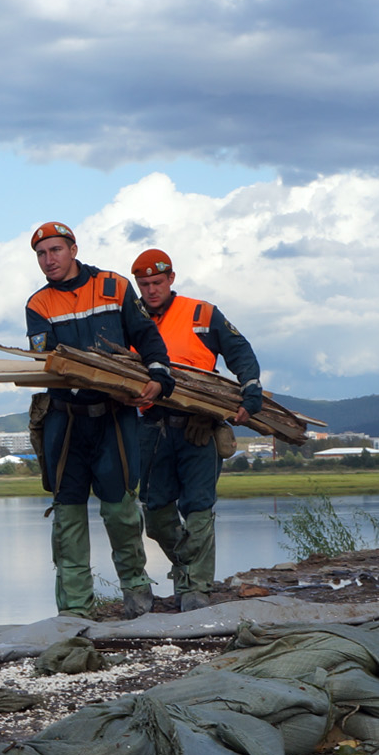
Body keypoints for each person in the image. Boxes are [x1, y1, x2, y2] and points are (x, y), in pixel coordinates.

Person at [27, 223, 175, 618]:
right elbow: (44, 361)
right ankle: (75, 610)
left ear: (74, 249)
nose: (49, 259)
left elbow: (146, 337)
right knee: (68, 514)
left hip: (113, 418)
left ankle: (138, 595)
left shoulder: (114, 286)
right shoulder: (38, 305)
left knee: (121, 511)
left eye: (56, 250)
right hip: (66, 421)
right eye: (42, 254)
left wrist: (159, 376)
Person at [129, 248, 268, 611]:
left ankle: (196, 588)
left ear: (171, 278)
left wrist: (250, 388)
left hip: (199, 426)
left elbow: (239, 351)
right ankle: (187, 567)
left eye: (157, 282)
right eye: (144, 285)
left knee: (198, 508)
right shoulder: (132, 317)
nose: (151, 290)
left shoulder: (202, 313)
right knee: (156, 514)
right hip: (152, 426)